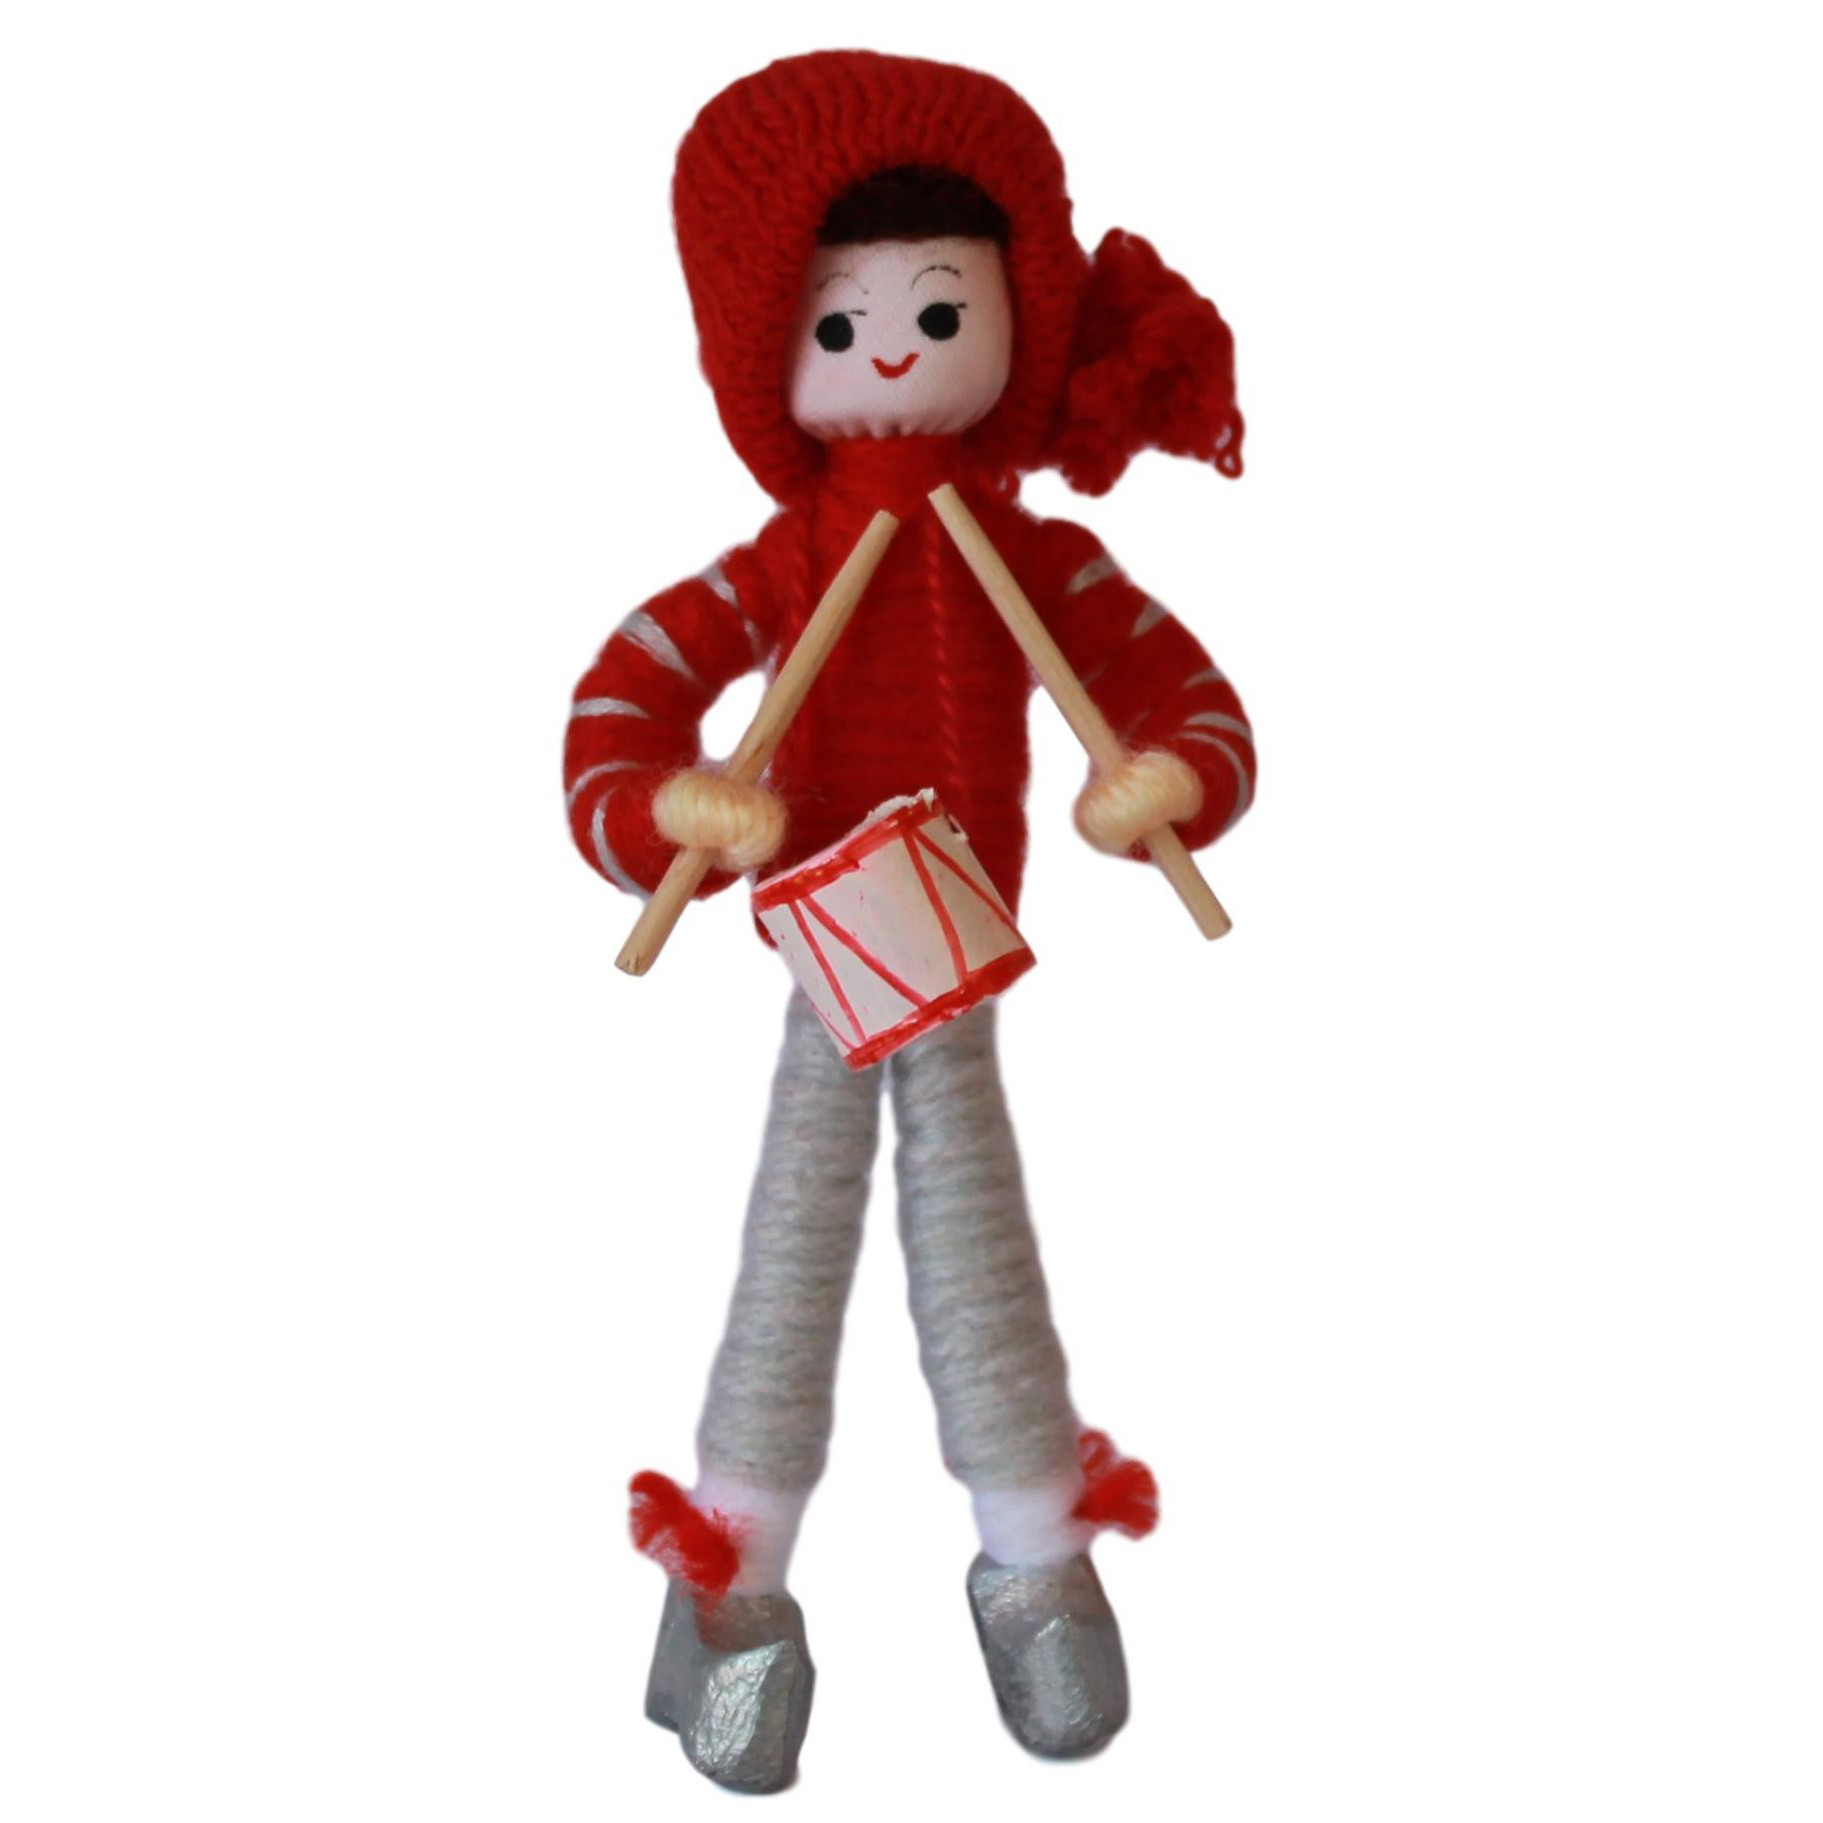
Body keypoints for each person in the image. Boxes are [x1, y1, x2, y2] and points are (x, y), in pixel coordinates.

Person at [564, 51, 1255, 1792]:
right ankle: (757, 1580)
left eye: (940, 312)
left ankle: (1014, 1554)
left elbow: (1179, 691)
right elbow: (623, 699)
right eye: (839, 319)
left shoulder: (1025, 556)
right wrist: (668, 808)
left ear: (1016, 313)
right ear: (763, 348)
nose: (890, 355)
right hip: (832, 939)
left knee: (967, 1242)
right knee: (805, 1257)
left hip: (961, 940)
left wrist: (1170, 778)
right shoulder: (788, 563)